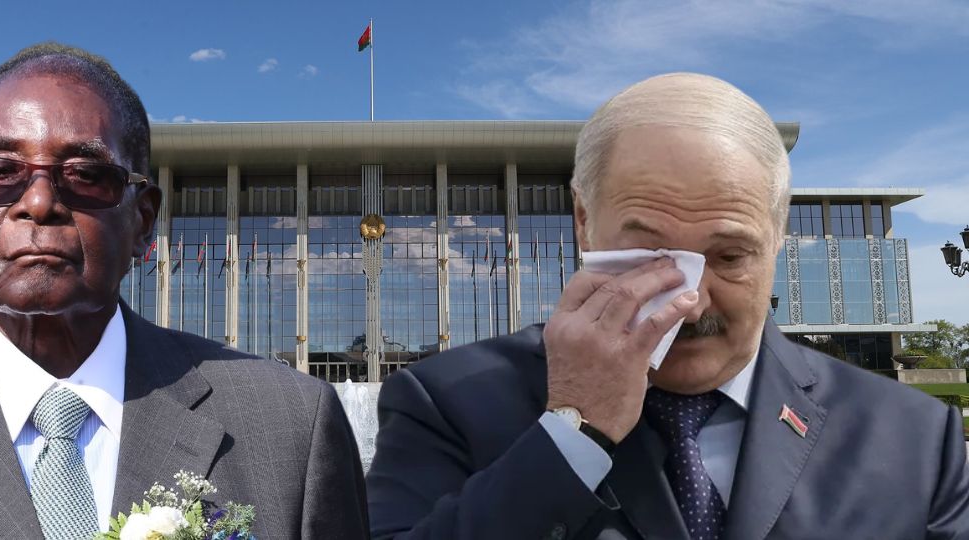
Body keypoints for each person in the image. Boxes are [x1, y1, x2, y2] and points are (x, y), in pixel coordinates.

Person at [0, 43, 368, 540]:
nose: (38, 203)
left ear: (142, 220)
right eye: (0, 172)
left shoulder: (291, 425)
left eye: (84, 174)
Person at [366, 73, 969, 539]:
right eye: (653, 256)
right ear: (583, 221)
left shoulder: (914, 438)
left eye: (729, 257)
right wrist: (573, 434)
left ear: (779, 236)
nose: (690, 302)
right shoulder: (445, 404)